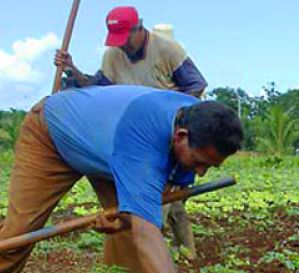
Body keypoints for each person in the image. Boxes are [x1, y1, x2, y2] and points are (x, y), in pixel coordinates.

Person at [0, 85, 243, 273]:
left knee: (131, 226)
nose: (200, 173)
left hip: (111, 150)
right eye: (198, 162)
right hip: (52, 134)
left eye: (210, 166)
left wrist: (126, 219)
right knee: (18, 234)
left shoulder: (197, 117)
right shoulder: (144, 142)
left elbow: (148, 206)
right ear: (180, 136)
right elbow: (147, 233)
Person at [54, 6, 207, 257]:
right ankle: (186, 254)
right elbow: (98, 89)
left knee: (157, 203)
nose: (122, 45)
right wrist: (72, 69)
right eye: (118, 40)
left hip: (167, 136)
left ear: (140, 28)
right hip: (134, 138)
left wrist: (168, 113)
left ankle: (157, 260)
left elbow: (196, 85)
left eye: (126, 38)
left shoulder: (168, 49)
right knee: (170, 201)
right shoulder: (113, 54)